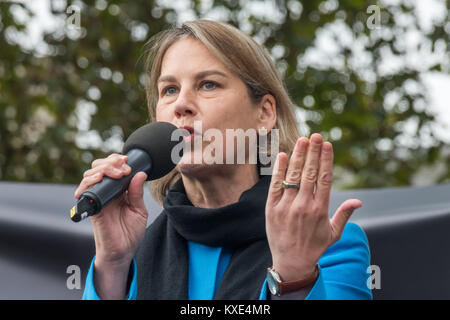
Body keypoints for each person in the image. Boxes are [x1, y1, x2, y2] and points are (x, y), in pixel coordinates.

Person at [78, 20, 372, 300]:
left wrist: (295, 277)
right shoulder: (130, 254)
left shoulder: (327, 241)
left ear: (265, 113)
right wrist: (113, 265)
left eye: (208, 85)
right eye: (169, 90)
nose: (181, 104)